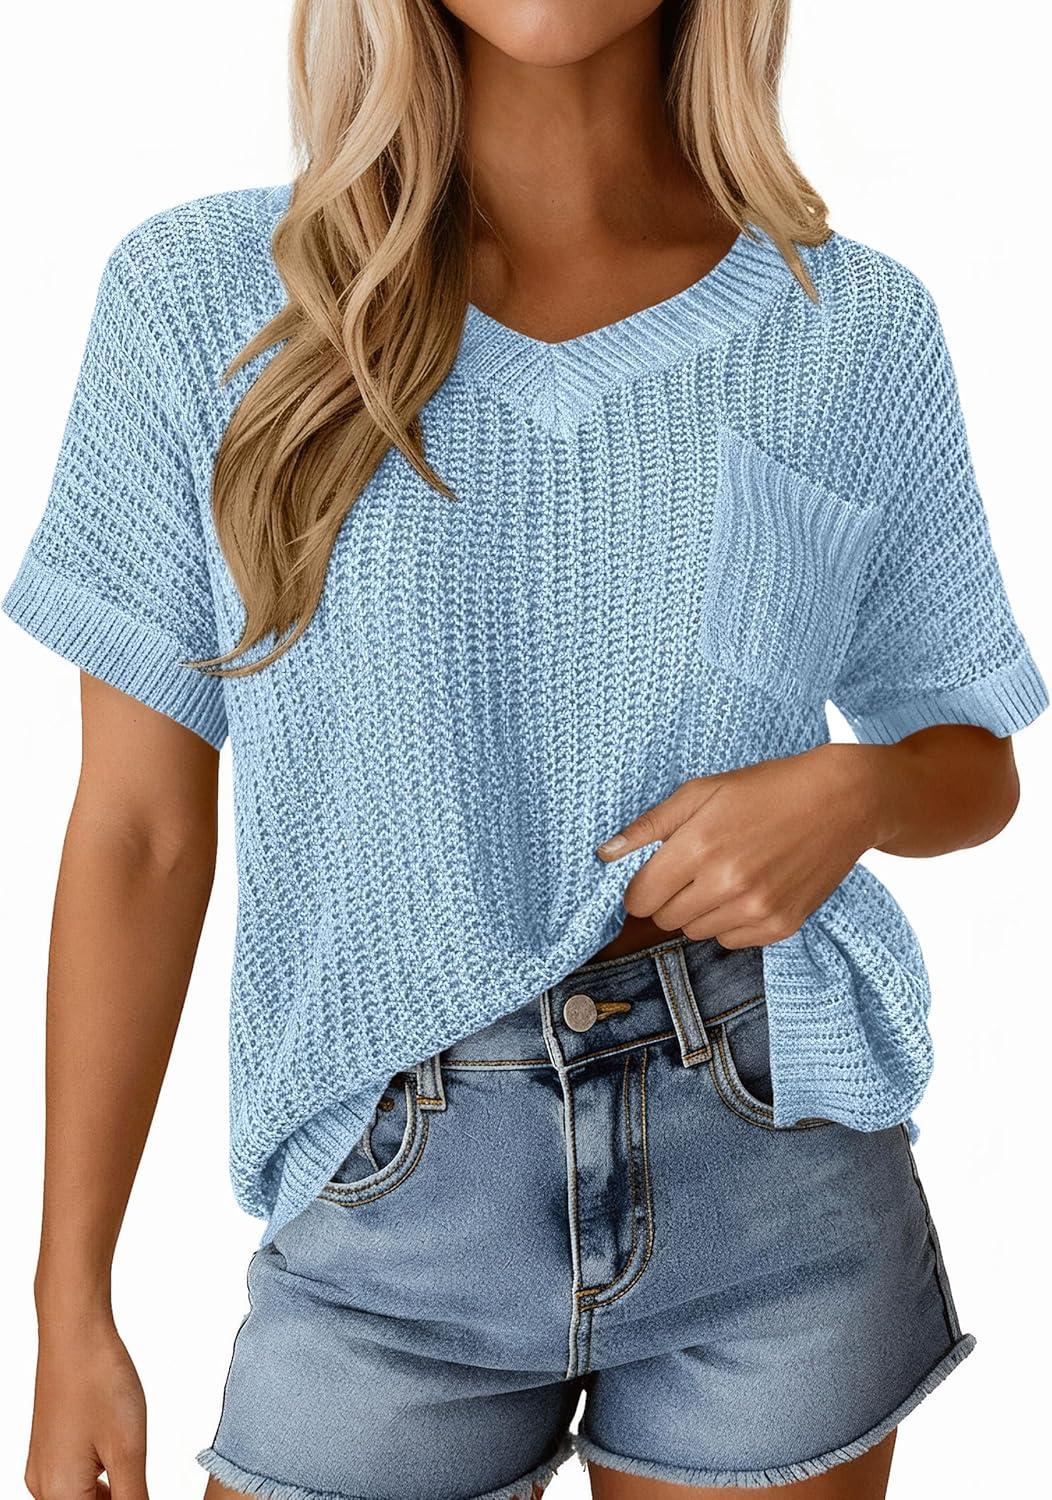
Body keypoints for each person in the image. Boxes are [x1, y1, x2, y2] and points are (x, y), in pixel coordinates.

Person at [7, 2, 1047, 1498]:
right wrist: (71, 1305)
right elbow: (138, 834)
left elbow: (970, 759)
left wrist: (860, 788)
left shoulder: (849, 328)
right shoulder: (205, 301)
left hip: (772, 1176)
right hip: (385, 1202)